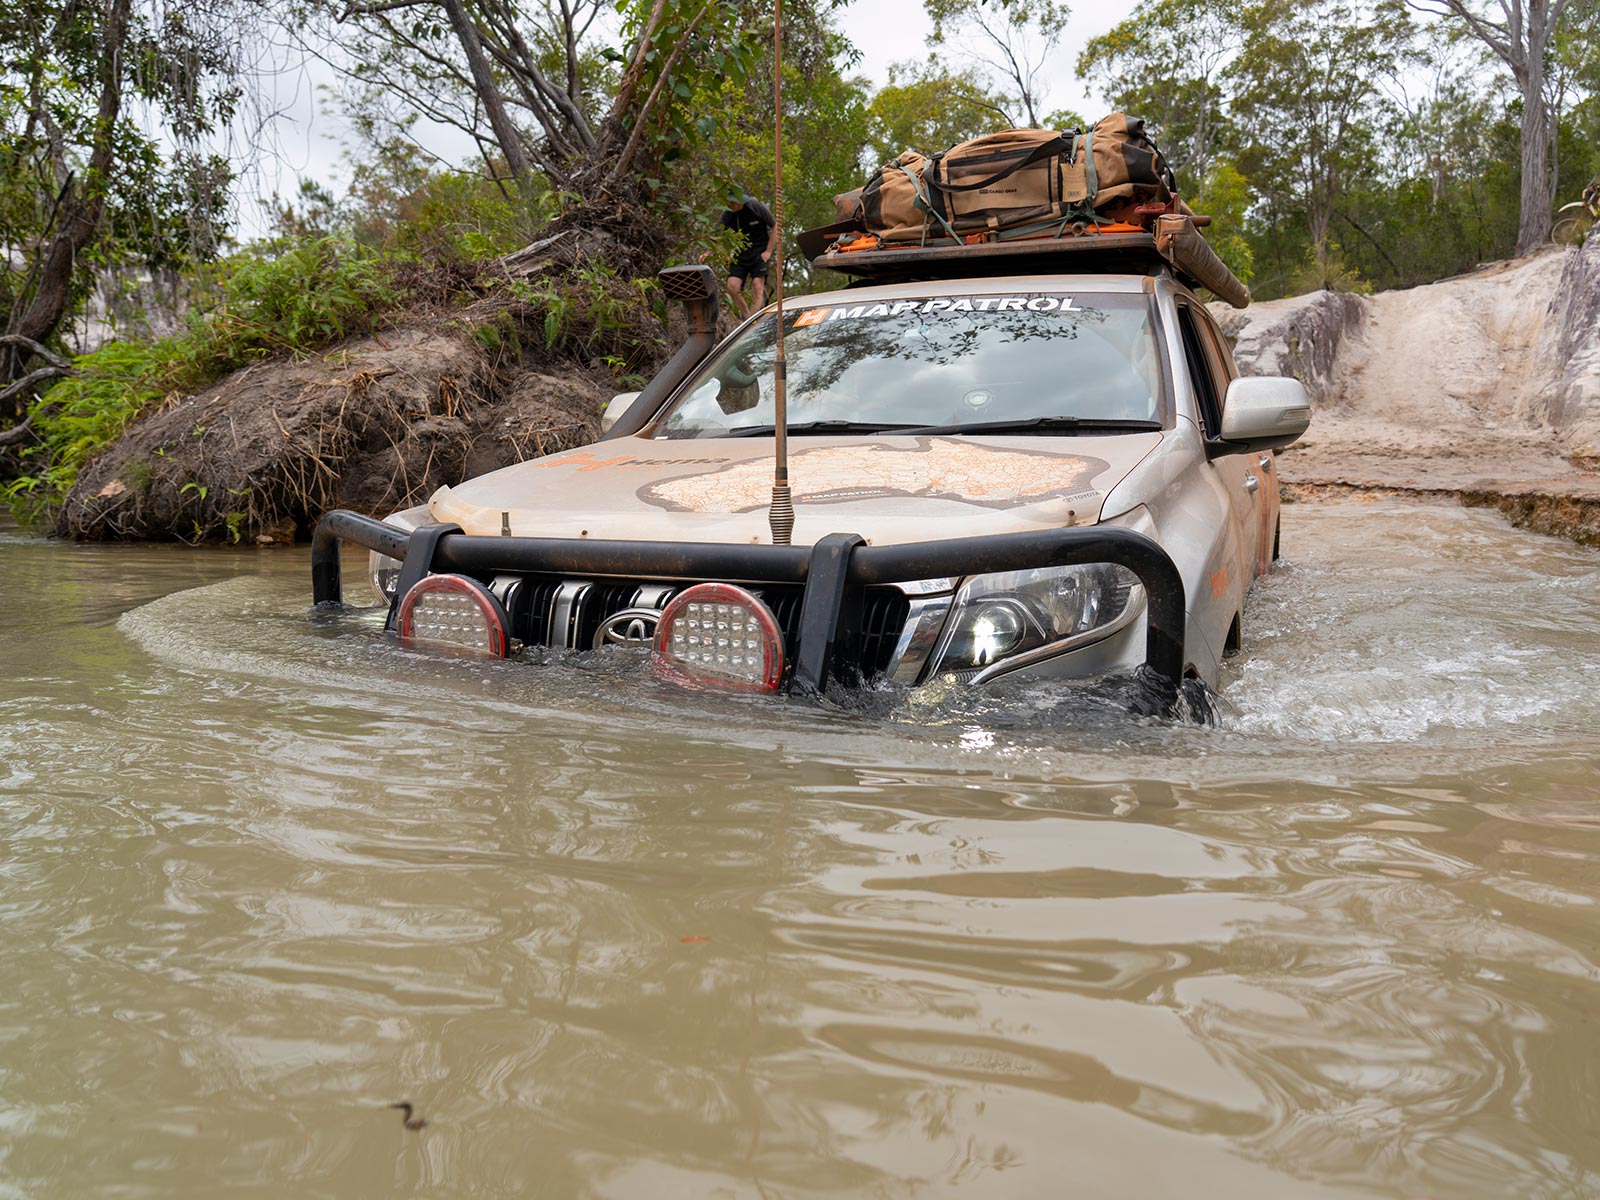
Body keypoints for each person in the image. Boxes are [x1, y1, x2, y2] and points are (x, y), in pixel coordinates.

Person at [721, 191, 777, 318]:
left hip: (760, 251)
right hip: (741, 251)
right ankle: (747, 317)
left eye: (733, 202)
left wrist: (768, 251)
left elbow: (775, 225)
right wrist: (708, 251)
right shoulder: (728, 213)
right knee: (732, 286)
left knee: (758, 285)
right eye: (729, 202)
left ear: (740, 201)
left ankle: (754, 319)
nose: (731, 205)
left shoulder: (755, 206)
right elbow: (717, 233)